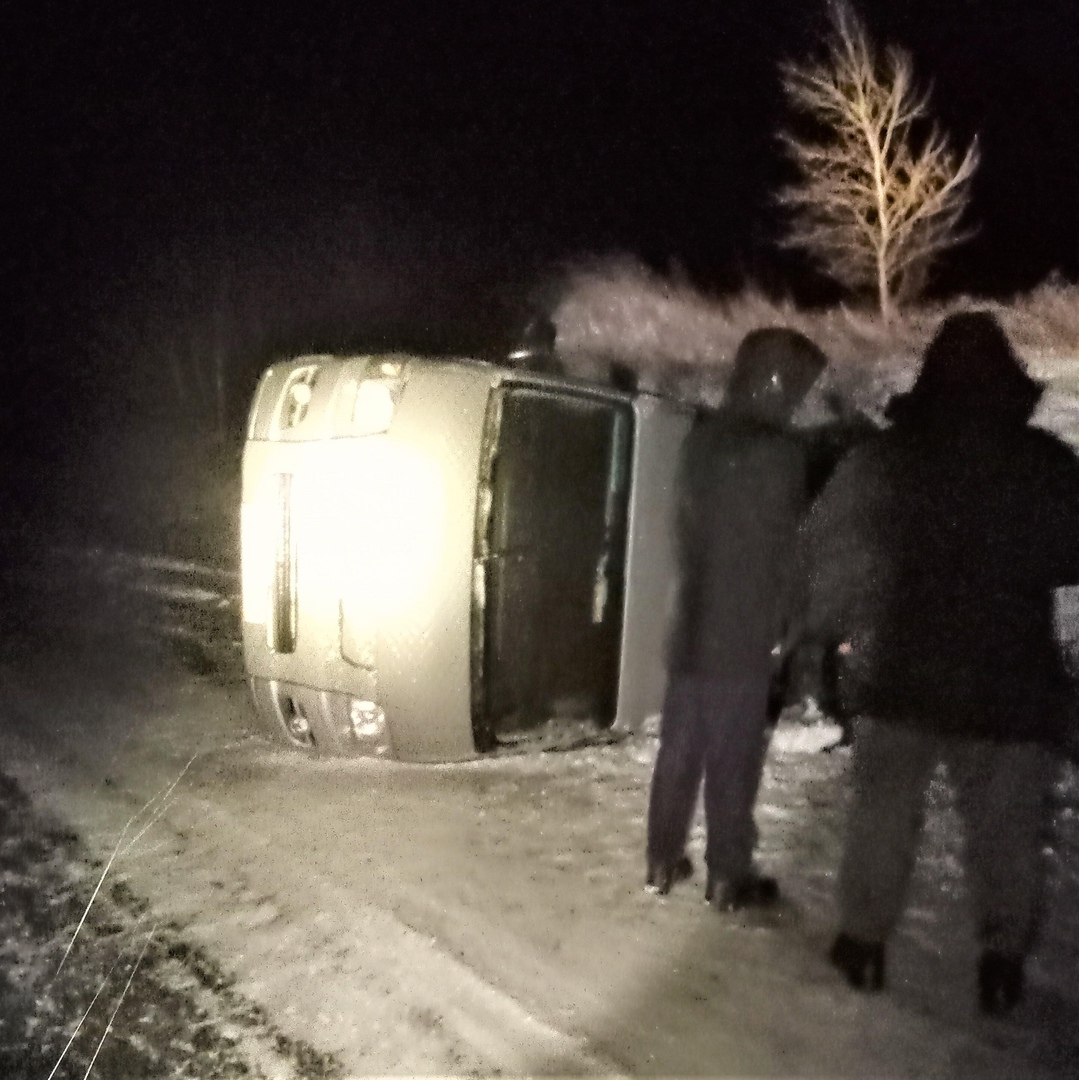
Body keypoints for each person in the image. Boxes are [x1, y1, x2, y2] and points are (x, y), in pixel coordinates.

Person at [798, 311, 1079, 1014]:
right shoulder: (1043, 463)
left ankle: (862, 943)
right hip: (1009, 686)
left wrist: (826, 642)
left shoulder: (882, 460)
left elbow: (825, 559)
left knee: (882, 817)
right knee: (1006, 834)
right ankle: (1000, 964)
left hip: (900, 676)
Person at [646, 327, 827, 910]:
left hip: (693, 625)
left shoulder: (700, 441)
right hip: (743, 632)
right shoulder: (780, 454)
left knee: (679, 749)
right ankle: (728, 876)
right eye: (796, 387)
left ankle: (661, 860)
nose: (799, 399)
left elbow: (680, 530)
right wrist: (791, 626)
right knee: (733, 757)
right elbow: (787, 553)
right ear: (775, 382)